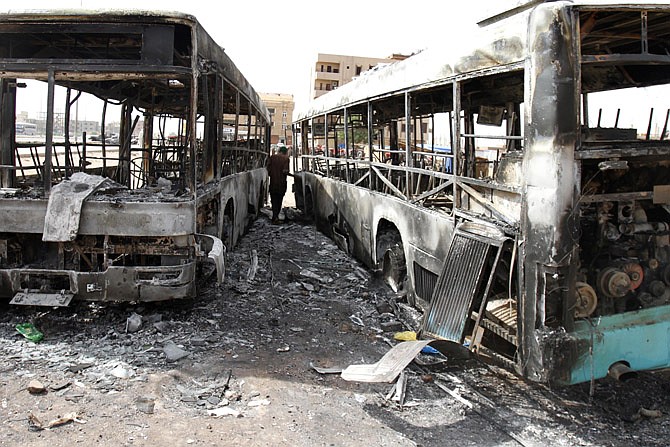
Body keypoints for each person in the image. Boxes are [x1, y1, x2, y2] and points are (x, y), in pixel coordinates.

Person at [267, 145, 290, 224]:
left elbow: (268, 170)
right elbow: (285, 171)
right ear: (285, 152)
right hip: (281, 184)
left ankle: (274, 216)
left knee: (273, 200)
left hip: (273, 183)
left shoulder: (272, 157)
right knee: (279, 200)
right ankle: (276, 217)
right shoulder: (286, 159)